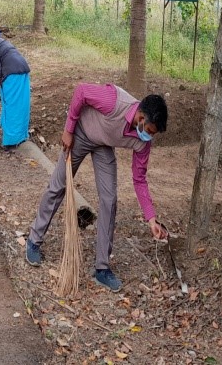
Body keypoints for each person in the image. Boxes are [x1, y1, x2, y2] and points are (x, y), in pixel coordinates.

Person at [25, 83, 169, 292]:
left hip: (103, 145)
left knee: (109, 200)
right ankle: (34, 240)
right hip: (81, 132)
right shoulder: (114, 101)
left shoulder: (143, 143)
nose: (149, 137)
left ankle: (102, 268)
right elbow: (81, 92)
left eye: (153, 134)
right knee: (58, 185)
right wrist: (68, 129)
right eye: (149, 131)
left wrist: (151, 219)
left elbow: (139, 179)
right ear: (140, 117)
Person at [0, 28, 30, 150]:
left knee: (10, 106)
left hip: (11, 75)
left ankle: (10, 142)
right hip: (24, 72)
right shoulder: (5, 43)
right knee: (21, 105)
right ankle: (21, 137)